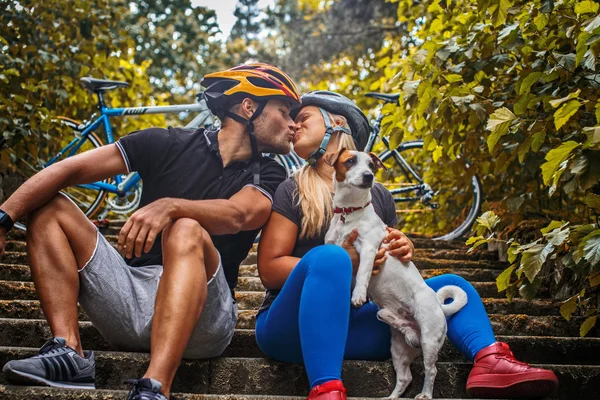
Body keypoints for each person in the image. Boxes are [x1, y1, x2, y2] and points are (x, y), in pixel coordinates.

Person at [0, 63, 301, 400]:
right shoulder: (167, 141)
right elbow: (69, 169)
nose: (293, 124)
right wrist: (4, 218)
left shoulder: (271, 175)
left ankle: (155, 387)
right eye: (285, 110)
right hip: (131, 298)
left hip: (206, 319)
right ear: (248, 106)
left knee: (185, 228)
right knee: (48, 205)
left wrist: (171, 206)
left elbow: (239, 214)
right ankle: (69, 351)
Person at [255, 91, 559, 400]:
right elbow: (268, 269)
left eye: (302, 117)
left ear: (337, 122)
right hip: (289, 329)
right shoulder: (291, 189)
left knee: (453, 286)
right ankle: (326, 388)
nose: (293, 125)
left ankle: (490, 361)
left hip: (351, 330)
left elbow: (386, 268)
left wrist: (400, 246)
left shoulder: (379, 196)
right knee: (332, 257)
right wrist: (343, 262)